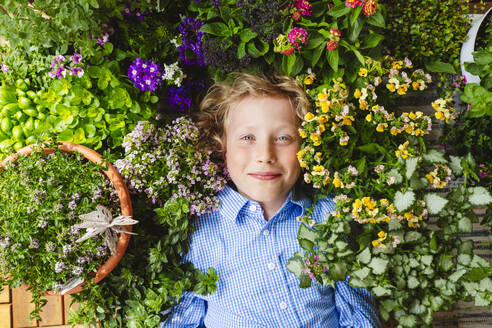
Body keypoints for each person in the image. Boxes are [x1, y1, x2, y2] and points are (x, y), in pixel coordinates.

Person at [160, 73, 382, 327]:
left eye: (283, 138)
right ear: (223, 148)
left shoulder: (328, 216)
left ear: (305, 146)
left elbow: (358, 313)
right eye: (247, 138)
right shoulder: (198, 232)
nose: (265, 155)